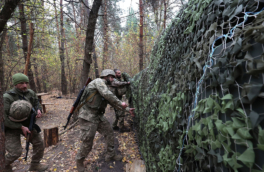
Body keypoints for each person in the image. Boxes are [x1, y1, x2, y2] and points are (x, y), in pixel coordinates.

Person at [76, 69, 135, 172]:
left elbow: (113, 103)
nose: (112, 79)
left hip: (98, 116)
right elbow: (107, 94)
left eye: (113, 77)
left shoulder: (106, 87)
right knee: (87, 142)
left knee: (109, 132)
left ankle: (111, 154)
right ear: (105, 76)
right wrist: (121, 103)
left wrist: (127, 109)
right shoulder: (99, 82)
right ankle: (79, 161)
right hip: (87, 116)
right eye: (111, 77)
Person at [3, 73, 48, 172]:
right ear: (15, 84)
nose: (25, 86)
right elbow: (4, 119)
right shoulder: (7, 97)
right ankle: (3, 165)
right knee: (15, 152)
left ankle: (35, 165)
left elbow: (37, 103)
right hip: (12, 127)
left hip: (29, 124)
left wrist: (39, 110)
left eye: (26, 83)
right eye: (21, 83)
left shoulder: (30, 93)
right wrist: (20, 127)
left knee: (39, 144)